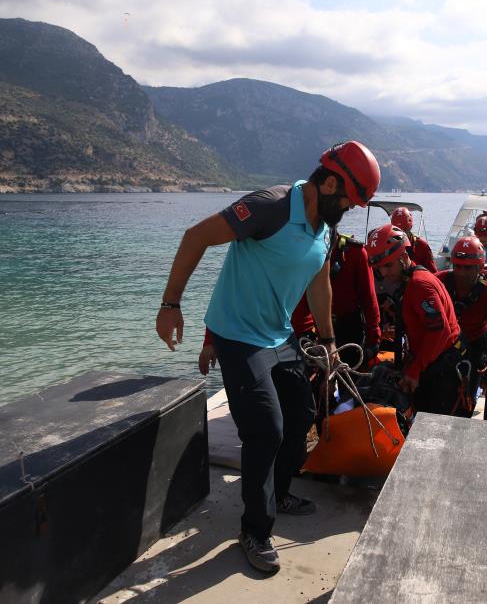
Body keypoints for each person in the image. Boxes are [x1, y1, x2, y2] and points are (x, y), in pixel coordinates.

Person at [157, 140, 381, 575]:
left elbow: (320, 285)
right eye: (349, 201)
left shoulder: (324, 227)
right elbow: (197, 236)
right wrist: (171, 305)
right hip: (238, 335)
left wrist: (331, 341)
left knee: (301, 412)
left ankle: (277, 493)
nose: (349, 210)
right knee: (265, 430)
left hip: (280, 334)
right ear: (331, 181)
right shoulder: (271, 207)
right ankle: (256, 530)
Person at [365, 224, 466, 417]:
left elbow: (440, 330)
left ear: (403, 257)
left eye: (388, 265)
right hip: (434, 364)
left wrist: (415, 370)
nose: (384, 273)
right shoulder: (411, 281)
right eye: (379, 268)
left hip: (441, 373)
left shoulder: (419, 284)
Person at [290, 231, 381, 364]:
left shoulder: (355, 253)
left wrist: (374, 339)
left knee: (348, 373)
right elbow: (301, 299)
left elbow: (369, 299)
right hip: (319, 330)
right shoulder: (305, 254)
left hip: (350, 329)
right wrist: (304, 334)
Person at [436, 237, 487, 416]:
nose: (461, 273)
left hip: (475, 347)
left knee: (466, 400)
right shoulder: (440, 282)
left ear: (479, 268)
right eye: (458, 267)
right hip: (445, 345)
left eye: (468, 268)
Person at [391, 206, 436, 272]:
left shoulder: (421, 246)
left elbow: (433, 272)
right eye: (397, 231)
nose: (401, 236)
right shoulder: (388, 244)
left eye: (404, 231)